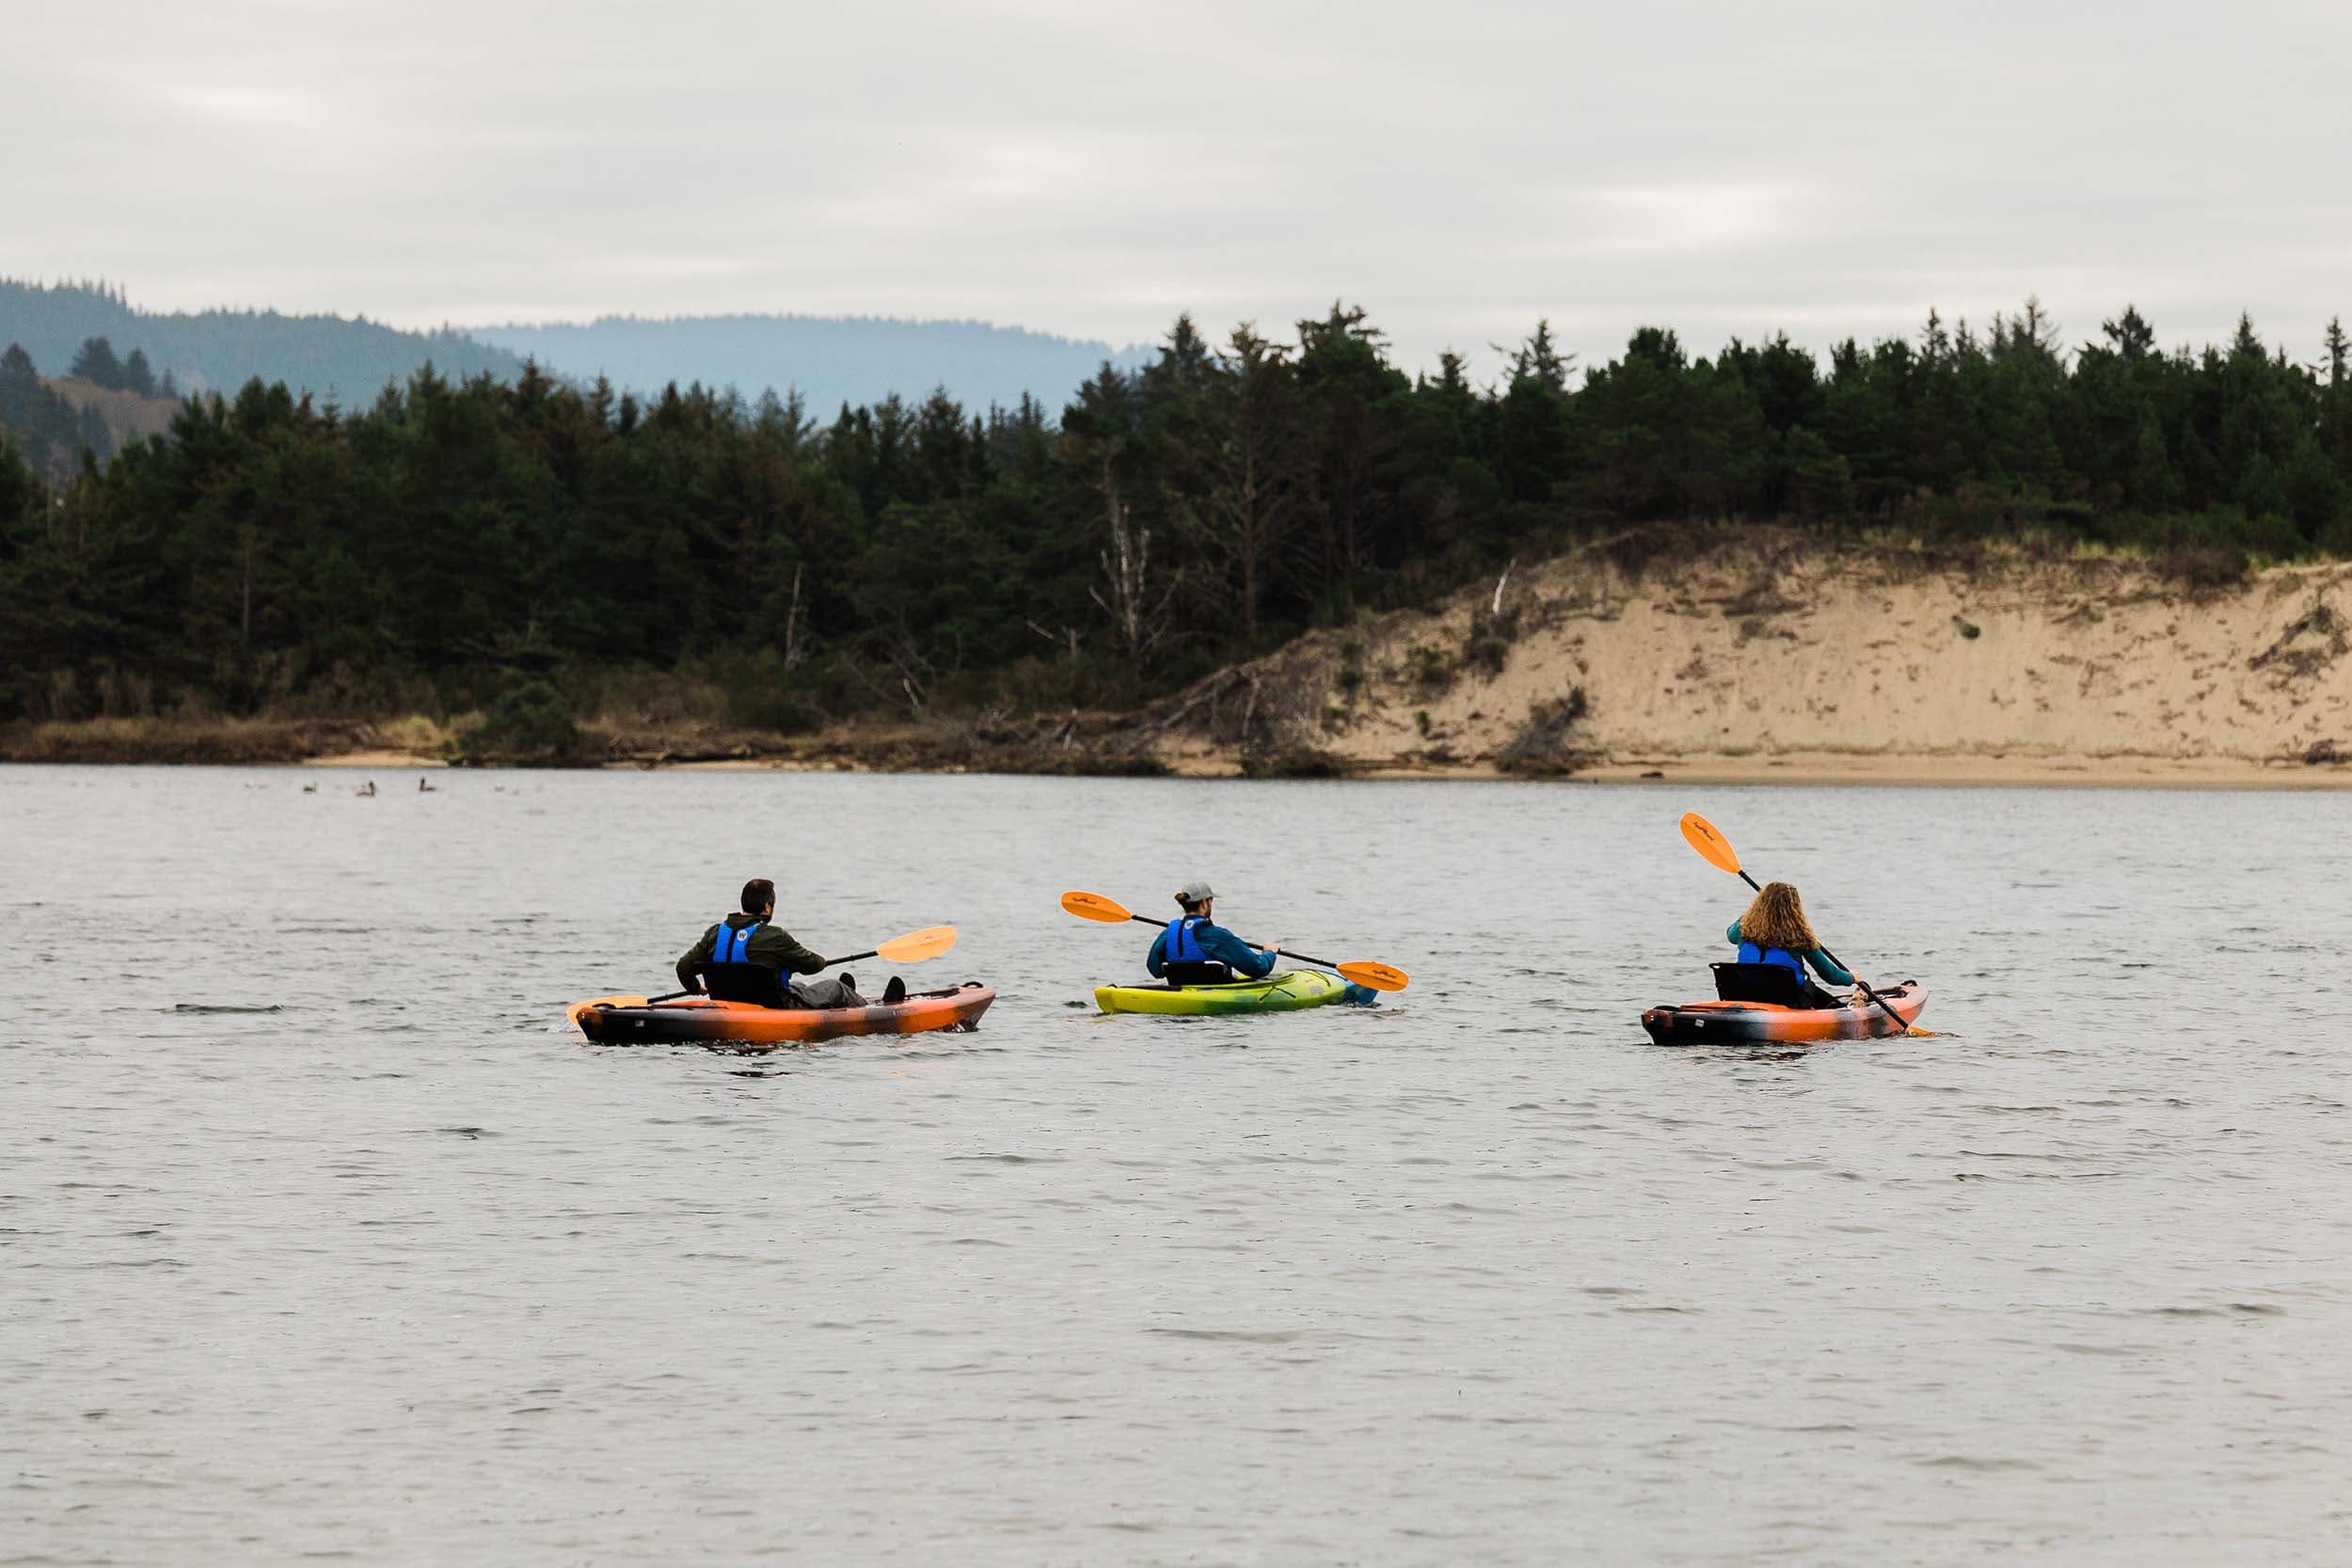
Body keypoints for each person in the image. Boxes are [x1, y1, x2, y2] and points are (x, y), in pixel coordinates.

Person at [676, 879, 900, 1007]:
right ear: (767, 907)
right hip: (774, 1006)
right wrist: (821, 961)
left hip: (727, 1001)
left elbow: (683, 968)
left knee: (800, 987)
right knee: (834, 986)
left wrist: (697, 989)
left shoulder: (714, 933)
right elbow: (812, 965)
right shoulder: (774, 936)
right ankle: (875, 1006)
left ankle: (842, 999)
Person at [1724, 880, 1862, 1007]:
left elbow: (1730, 935)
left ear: (1759, 904)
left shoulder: (1742, 930)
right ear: (1794, 909)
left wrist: (1749, 915)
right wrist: (1851, 977)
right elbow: (1830, 976)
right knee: (1828, 1001)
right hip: (1788, 999)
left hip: (1746, 994)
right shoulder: (1800, 937)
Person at [1147, 881, 1281, 986]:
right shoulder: (1218, 936)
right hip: (1215, 995)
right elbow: (1258, 968)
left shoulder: (1168, 934)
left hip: (1179, 991)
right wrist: (1269, 953)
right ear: (1205, 903)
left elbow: (1155, 970)